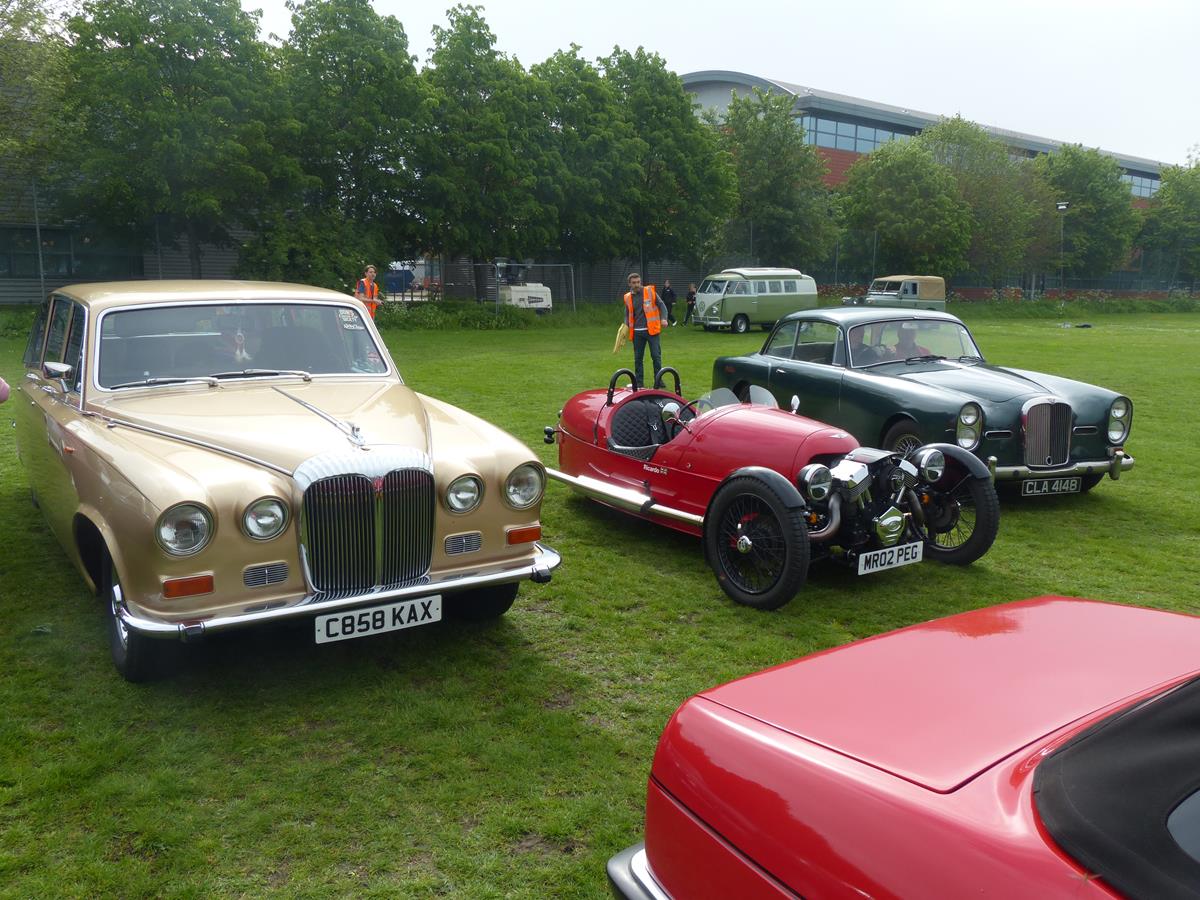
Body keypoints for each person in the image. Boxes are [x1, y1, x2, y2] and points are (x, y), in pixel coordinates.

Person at [622, 272, 668, 388]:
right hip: (637, 332)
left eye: (638, 282)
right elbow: (627, 314)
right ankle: (639, 382)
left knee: (656, 356)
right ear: (629, 284)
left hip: (652, 331)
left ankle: (658, 380)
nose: (637, 284)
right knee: (638, 358)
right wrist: (625, 327)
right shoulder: (627, 297)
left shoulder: (649, 291)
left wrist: (664, 318)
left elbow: (661, 305)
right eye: (634, 283)